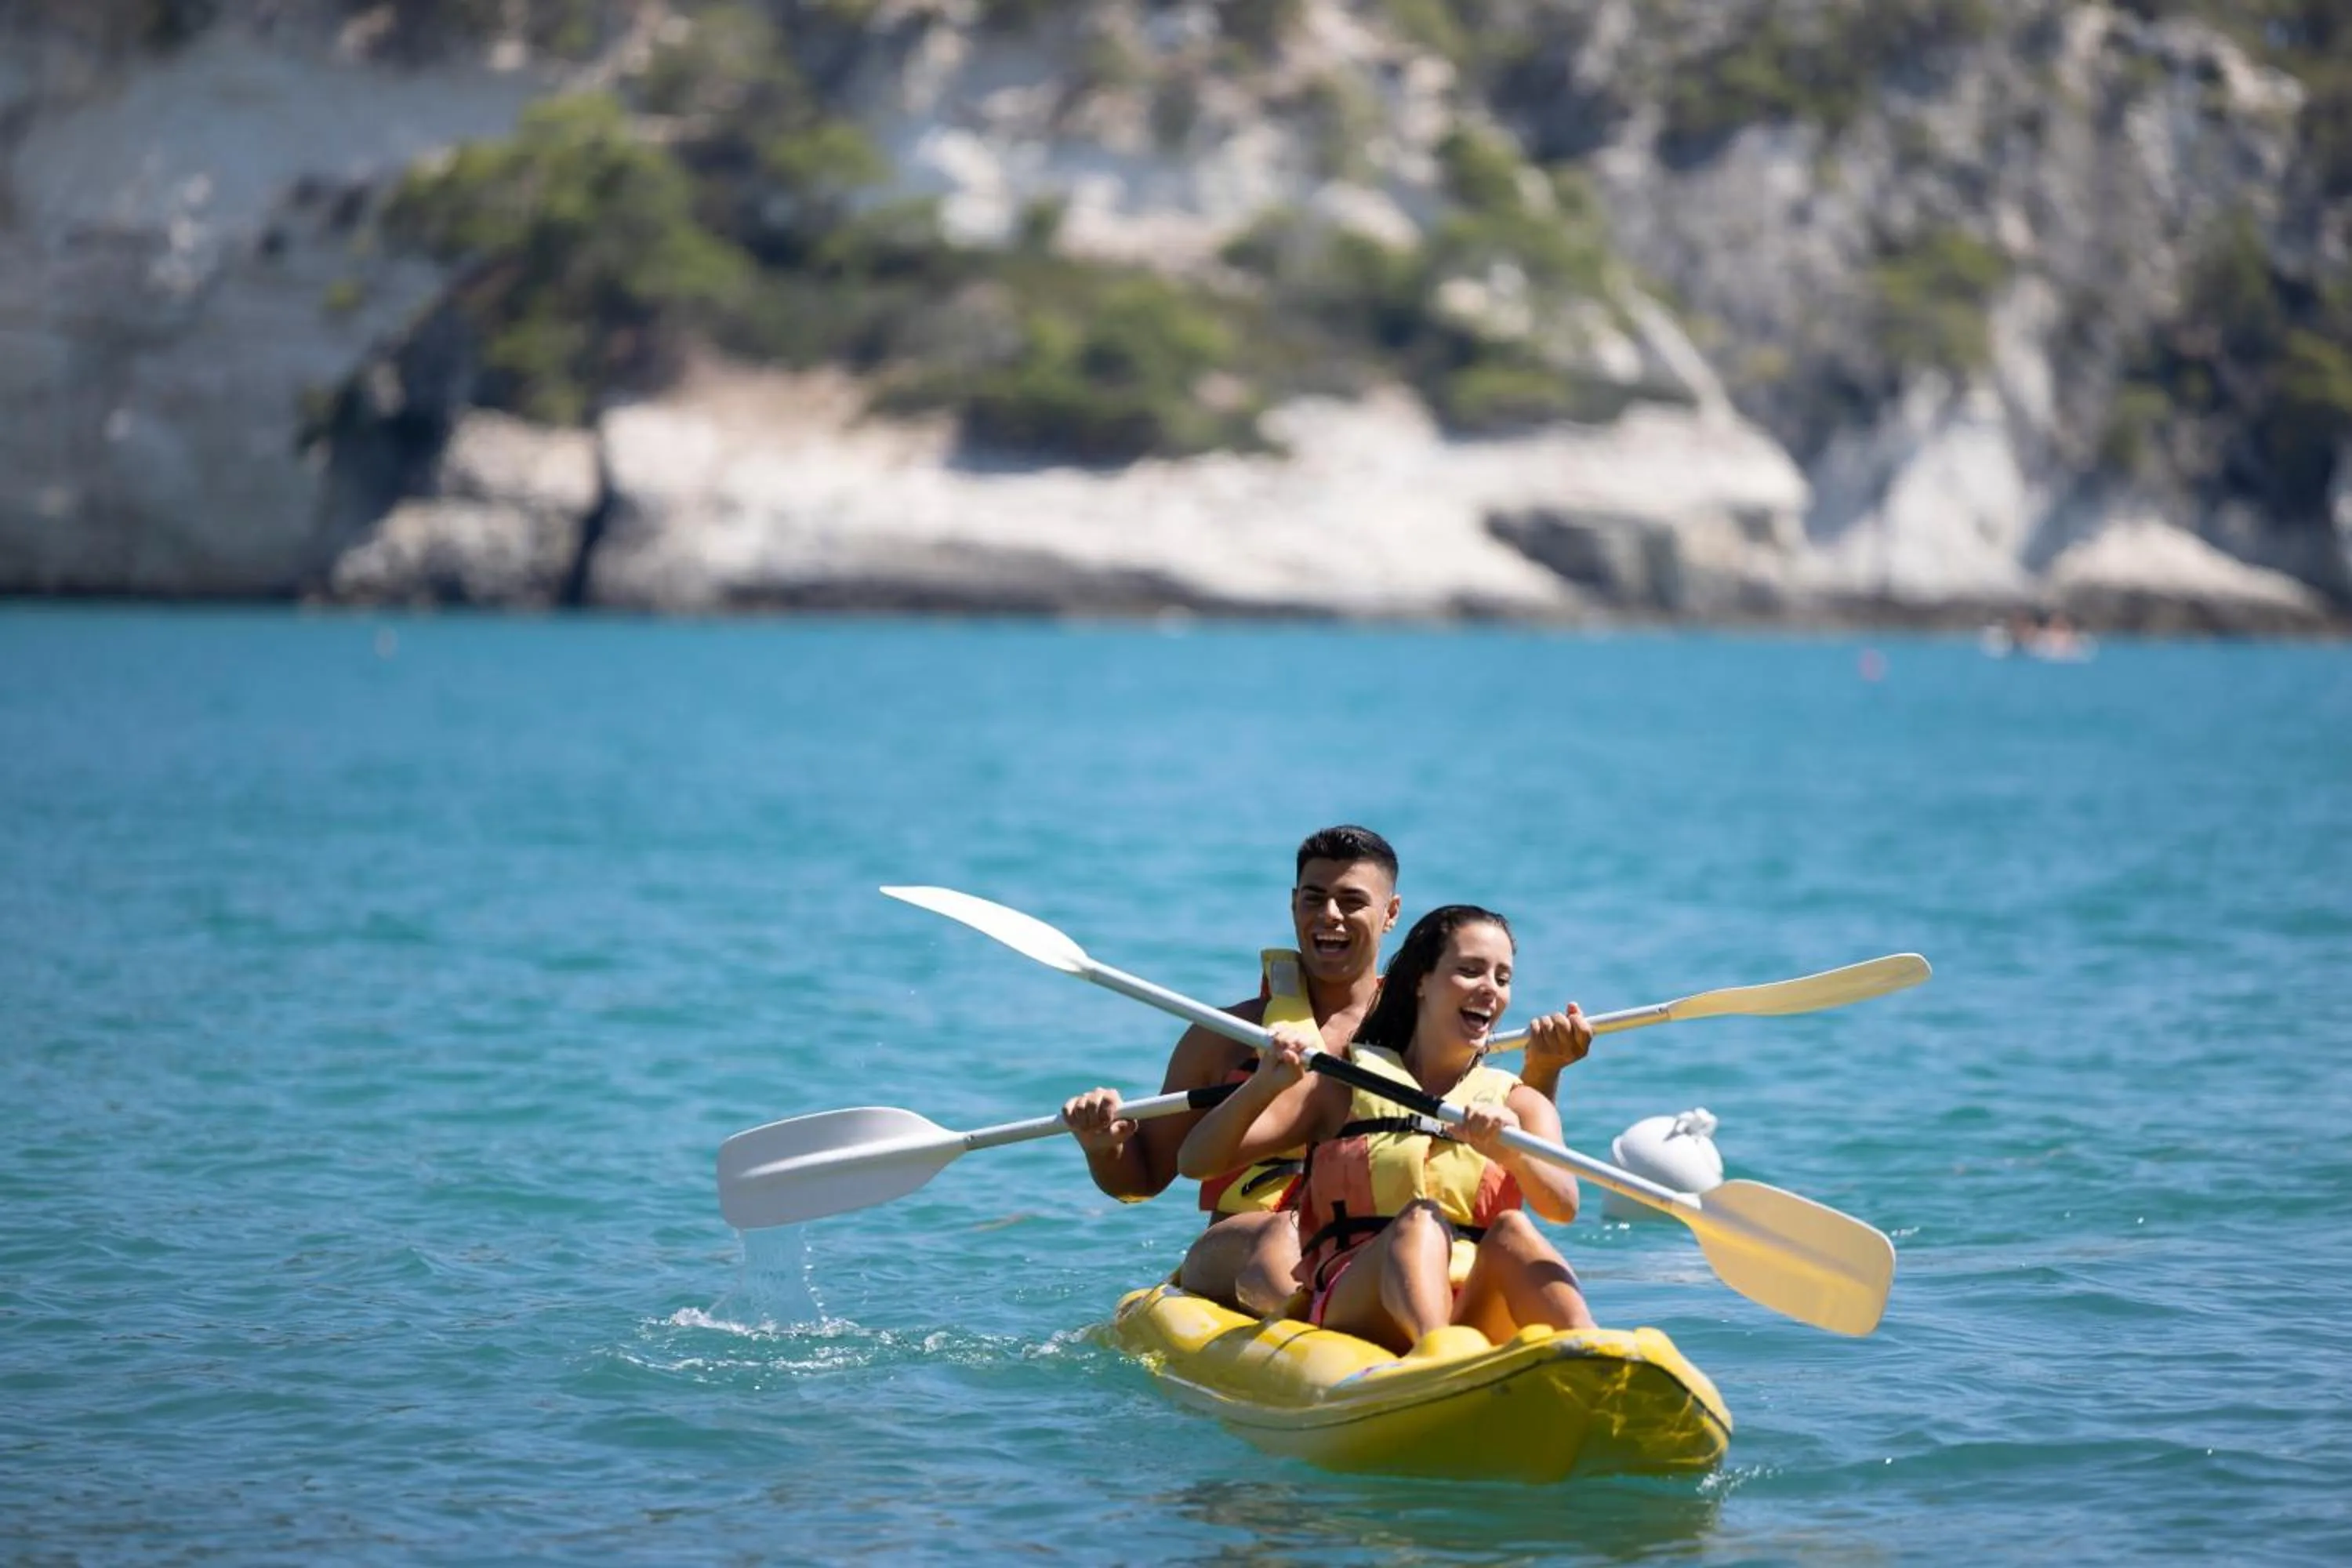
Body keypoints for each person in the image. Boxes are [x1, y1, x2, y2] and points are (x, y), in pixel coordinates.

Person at [1175, 904, 1596, 1352]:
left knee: (1513, 1229)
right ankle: (1436, 1354)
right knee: (1419, 1220)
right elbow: (1196, 1160)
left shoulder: (1519, 1103)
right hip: (1357, 1297)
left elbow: (1562, 1207)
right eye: (1470, 971)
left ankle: (1598, 1357)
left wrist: (1512, 1152)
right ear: (1421, 980)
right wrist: (1262, 1086)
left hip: (1469, 1297)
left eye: (1502, 978)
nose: (1489, 989)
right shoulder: (1341, 1087)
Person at [1058, 826, 1401, 1317]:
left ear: (1390, 914)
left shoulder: (1418, 1037)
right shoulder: (1224, 1036)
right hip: (1242, 1245)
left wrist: (1544, 1069)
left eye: (1351, 901)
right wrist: (1102, 1146)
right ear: (1293, 905)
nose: (1330, 915)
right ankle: (1312, 1327)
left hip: (1364, 1244)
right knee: (1281, 1232)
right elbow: (1143, 1177)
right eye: (1314, 898)